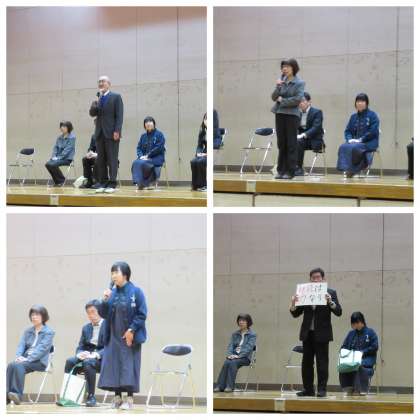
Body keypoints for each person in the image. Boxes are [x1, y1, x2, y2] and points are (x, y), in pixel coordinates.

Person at [98, 262, 147, 410]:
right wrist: (104, 300)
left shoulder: (136, 292)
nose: (113, 276)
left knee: (128, 367)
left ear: (125, 274)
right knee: (114, 366)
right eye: (112, 273)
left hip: (129, 337)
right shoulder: (111, 293)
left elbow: (142, 314)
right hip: (113, 336)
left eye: (116, 272)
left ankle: (129, 399)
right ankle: (117, 397)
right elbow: (103, 314)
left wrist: (132, 330)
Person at [290, 268, 342, 398]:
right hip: (307, 333)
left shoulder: (330, 292)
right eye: (313, 278)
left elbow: (339, 312)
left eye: (318, 277)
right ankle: (308, 389)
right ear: (310, 279)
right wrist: (293, 304)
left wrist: (330, 302)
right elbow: (296, 314)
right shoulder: (304, 292)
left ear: (323, 279)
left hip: (322, 333)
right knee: (306, 363)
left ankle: (322, 389)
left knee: (322, 363)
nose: (315, 280)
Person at [7, 305, 55, 405]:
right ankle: (6, 395)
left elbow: (42, 349)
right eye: (32, 315)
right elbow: (21, 345)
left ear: (43, 316)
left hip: (39, 361)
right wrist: (19, 357)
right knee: (11, 365)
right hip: (26, 360)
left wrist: (28, 359)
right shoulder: (28, 331)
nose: (34, 317)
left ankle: (17, 395)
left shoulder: (49, 332)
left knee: (18, 365)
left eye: (37, 314)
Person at [64, 300, 106, 407]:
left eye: (93, 311)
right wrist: (80, 354)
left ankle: (91, 397)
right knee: (70, 361)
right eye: (88, 313)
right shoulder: (86, 328)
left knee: (88, 363)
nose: (91, 315)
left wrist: (96, 355)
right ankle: (68, 397)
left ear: (100, 311)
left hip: (103, 359)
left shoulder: (108, 325)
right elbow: (80, 346)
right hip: (88, 356)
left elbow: (110, 347)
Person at [89, 75, 124, 194]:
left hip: (112, 133)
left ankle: (112, 183)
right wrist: (97, 101)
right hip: (99, 133)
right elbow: (92, 113)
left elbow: (119, 116)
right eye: (99, 82)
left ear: (109, 84)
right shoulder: (98, 99)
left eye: (103, 81)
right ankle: (103, 182)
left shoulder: (116, 97)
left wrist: (117, 131)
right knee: (101, 160)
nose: (100, 83)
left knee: (112, 159)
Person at [271, 58, 305, 179]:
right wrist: (277, 87)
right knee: (281, 143)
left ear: (293, 68)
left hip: (292, 115)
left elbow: (297, 99)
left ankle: (290, 171)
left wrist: (282, 100)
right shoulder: (282, 81)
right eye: (283, 67)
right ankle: (281, 170)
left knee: (291, 143)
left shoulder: (300, 82)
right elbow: (273, 97)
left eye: (287, 66)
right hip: (280, 113)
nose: (284, 69)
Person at [337, 93, 380, 177]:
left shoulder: (373, 115)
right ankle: (348, 168)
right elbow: (347, 131)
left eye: (362, 101)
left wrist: (360, 140)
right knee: (343, 146)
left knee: (355, 147)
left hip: (369, 142)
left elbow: (373, 131)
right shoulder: (353, 117)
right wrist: (350, 139)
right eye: (358, 101)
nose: (360, 103)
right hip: (355, 142)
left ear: (366, 103)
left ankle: (356, 168)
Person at [214, 314, 257, 393]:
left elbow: (249, 348)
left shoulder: (252, 335)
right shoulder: (235, 334)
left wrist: (238, 356)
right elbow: (230, 346)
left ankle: (230, 386)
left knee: (232, 363)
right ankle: (220, 386)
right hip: (234, 356)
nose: (241, 322)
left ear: (248, 322)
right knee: (227, 362)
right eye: (240, 320)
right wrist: (230, 355)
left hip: (245, 358)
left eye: (243, 321)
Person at [339, 312, 378, 396]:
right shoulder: (351, 334)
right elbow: (344, 346)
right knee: (343, 367)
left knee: (357, 366)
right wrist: (345, 353)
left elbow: (375, 347)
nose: (354, 326)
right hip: (351, 360)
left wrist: (362, 352)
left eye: (355, 323)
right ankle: (348, 388)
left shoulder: (371, 333)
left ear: (361, 322)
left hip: (365, 361)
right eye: (353, 324)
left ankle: (359, 389)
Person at [131, 117, 166, 191]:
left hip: (156, 157)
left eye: (150, 122)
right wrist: (141, 156)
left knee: (143, 163)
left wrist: (148, 156)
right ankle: (139, 182)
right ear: (144, 125)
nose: (148, 124)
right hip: (144, 158)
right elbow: (139, 148)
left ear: (154, 124)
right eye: (146, 122)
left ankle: (145, 183)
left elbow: (159, 148)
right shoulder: (143, 136)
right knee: (136, 162)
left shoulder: (159, 134)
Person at [295, 92, 324, 176]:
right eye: (299, 101)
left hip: (314, 140)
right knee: (289, 141)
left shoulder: (317, 112)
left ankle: (298, 168)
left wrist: (303, 135)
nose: (301, 103)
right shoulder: (298, 113)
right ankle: (287, 167)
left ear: (309, 102)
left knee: (298, 142)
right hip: (302, 140)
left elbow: (316, 127)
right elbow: (295, 127)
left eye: (303, 101)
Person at [45, 121, 76, 186]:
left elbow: (67, 150)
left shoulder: (72, 137)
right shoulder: (59, 137)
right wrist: (53, 156)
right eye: (61, 126)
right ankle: (57, 181)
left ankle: (61, 180)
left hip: (67, 159)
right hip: (57, 158)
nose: (62, 128)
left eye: (64, 126)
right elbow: (55, 148)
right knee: (47, 164)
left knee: (52, 164)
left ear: (68, 128)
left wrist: (58, 158)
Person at [191, 113, 207, 191]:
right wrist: (198, 153)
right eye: (205, 119)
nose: (207, 121)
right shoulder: (203, 131)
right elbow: (199, 145)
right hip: (204, 153)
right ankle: (196, 185)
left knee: (201, 161)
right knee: (193, 161)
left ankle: (204, 185)